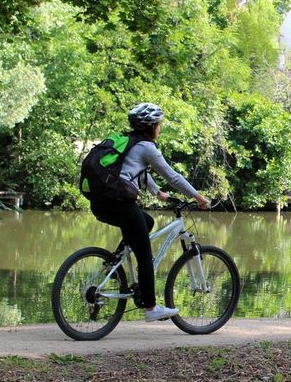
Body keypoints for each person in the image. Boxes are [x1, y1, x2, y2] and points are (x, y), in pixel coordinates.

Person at [90, 103, 210, 322]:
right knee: (145, 256)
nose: (160, 128)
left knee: (146, 222)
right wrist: (197, 197)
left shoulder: (127, 141)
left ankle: (113, 260)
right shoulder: (147, 147)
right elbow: (172, 176)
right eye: (159, 124)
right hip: (120, 203)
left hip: (99, 202)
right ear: (151, 126)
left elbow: (134, 170)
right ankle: (151, 308)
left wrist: (157, 193)